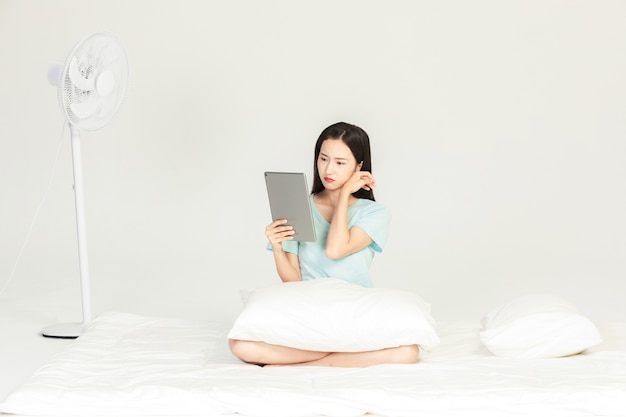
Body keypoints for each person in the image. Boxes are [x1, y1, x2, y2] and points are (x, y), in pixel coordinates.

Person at [229, 122, 419, 367]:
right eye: (323, 159)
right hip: (310, 306)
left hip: (353, 306)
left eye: (340, 163)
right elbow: (293, 281)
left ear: (359, 167)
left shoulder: (375, 213)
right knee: (240, 345)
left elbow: (336, 248)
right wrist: (277, 247)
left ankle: (314, 363)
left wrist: (342, 198)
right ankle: (338, 358)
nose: (328, 169)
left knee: (408, 352)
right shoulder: (300, 206)